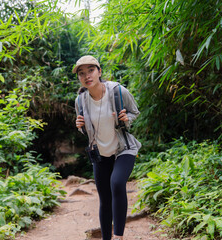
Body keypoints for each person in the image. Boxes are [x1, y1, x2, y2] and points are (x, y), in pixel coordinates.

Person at [73, 55, 141, 240]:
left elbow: (135, 112)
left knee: (117, 183)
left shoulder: (118, 91)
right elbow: (85, 130)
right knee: (104, 199)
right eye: (82, 73)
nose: (87, 76)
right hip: (100, 153)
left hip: (123, 148)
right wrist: (80, 126)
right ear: (79, 78)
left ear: (99, 71)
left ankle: (118, 236)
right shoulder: (80, 101)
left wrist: (128, 118)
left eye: (91, 71)